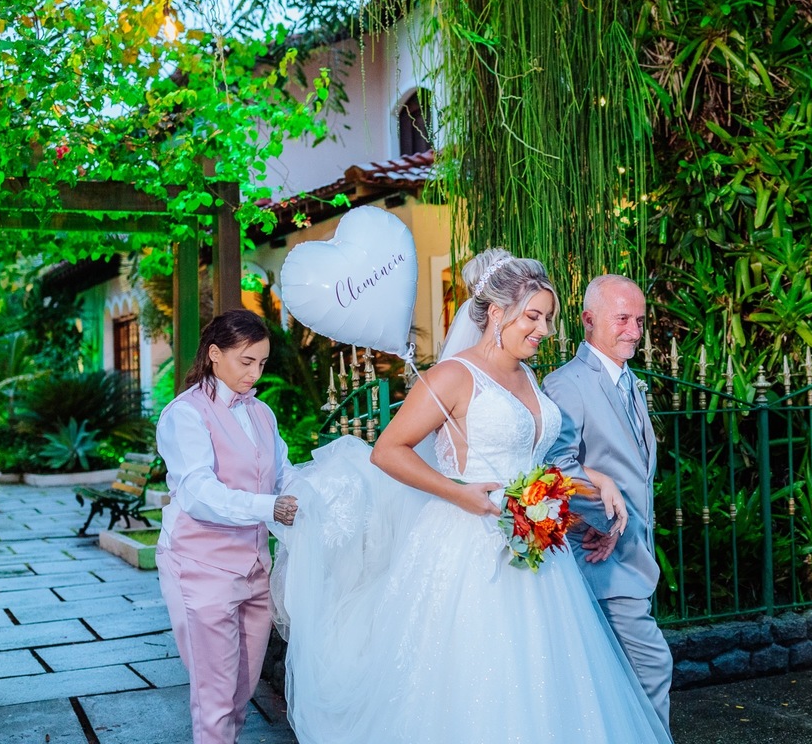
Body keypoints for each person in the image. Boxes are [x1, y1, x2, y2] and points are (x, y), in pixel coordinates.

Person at [272, 249, 672, 743]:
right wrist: (457, 492)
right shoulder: (453, 376)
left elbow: (531, 458)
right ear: (498, 313)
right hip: (469, 546)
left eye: (548, 318)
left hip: (538, 552)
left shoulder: (527, 376)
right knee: (479, 676)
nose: (545, 330)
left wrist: (594, 480)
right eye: (534, 317)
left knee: (547, 679)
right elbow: (388, 451)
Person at [154, 309, 299, 744]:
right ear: (215, 354)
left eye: (262, 363)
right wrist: (269, 507)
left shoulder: (262, 413)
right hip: (200, 567)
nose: (255, 374)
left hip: (254, 568)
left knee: (241, 692)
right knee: (215, 697)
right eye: (246, 361)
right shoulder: (185, 415)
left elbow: (283, 475)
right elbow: (198, 493)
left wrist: (325, 492)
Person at [543, 274, 674, 735]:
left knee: (619, 683)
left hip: (632, 555)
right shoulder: (566, 384)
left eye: (639, 320)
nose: (634, 331)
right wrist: (600, 523)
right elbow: (555, 467)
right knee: (652, 666)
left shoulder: (629, 381)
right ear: (588, 320)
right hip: (600, 557)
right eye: (622, 319)